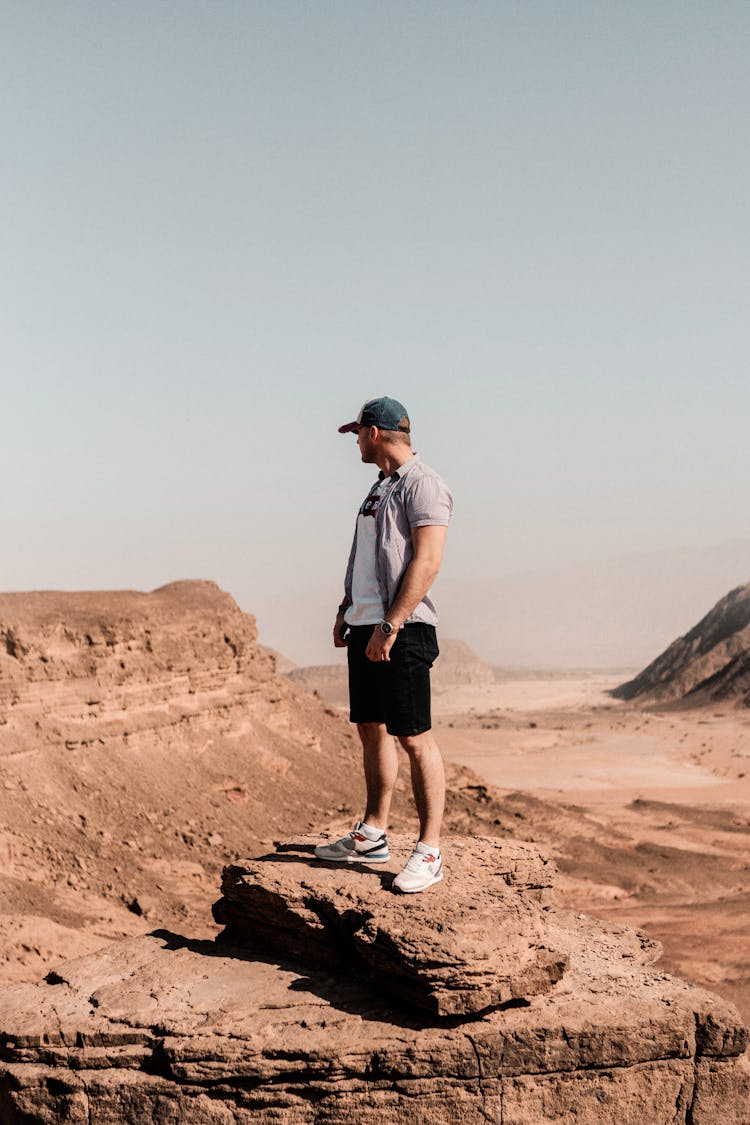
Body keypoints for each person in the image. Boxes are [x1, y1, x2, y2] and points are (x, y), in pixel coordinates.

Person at [314, 396, 453, 893]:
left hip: (404, 629)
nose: (355, 442)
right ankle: (374, 832)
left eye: (357, 433)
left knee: (414, 737)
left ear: (374, 432)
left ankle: (430, 850)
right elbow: (368, 557)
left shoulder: (424, 484)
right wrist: (347, 609)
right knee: (371, 730)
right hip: (367, 625)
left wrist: (391, 625)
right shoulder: (379, 488)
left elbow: (428, 561)